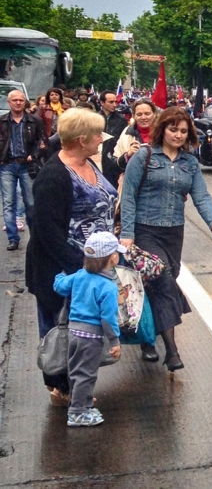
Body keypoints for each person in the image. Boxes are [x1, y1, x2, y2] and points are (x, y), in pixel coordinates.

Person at [120, 107, 212, 371]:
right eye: (173, 129)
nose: (178, 135)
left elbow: (200, 195)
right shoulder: (144, 156)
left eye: (183, 131)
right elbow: (129, 195)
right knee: (163, 279)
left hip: (173, 232)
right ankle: (172, 351)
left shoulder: (189, 162)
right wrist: (127, 235)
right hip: (145, 230)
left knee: (160, 283)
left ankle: (147, 338)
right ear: (162, 129)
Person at [25, 108, 117, 407]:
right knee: (61, 331)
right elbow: (48, 235)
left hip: (91, 266)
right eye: (97, 135)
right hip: (63, 272)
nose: (101, 140)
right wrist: (85, 268)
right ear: (81, 139)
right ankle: (62, 389)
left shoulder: (87, 161)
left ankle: (74, 386)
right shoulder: (53, 177)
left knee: (84, 332)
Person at [53, 231, 124, 427]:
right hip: (90, 337)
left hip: (73, 332)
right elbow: (108, 319)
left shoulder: (79, 276)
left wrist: (60, 274)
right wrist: (115, 341)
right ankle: (77, 413)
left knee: (76, 371)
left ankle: (82, 403)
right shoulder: (108, 287)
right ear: (113, 258)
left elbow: (59, 287)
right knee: (87, 374)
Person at [0, 89, 43, 250]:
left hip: (27, 165)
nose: (18, 103)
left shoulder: (34, 120)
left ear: (24, 102)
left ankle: (34, 237)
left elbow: (41, 140)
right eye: (14, 100)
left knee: (31, 203)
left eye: (20, 100)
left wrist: (34, 153)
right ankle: (13, 238)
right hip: (7, 165)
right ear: (9, 102)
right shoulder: (2, 121)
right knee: (8, 202)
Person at [112, 99, 157, 181]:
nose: (143, 117)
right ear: (134, 116)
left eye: (147, 114)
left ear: (154, 114)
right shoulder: (126, 133)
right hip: (133, 183)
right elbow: (114, 164)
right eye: (139, 114)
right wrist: (128, 155)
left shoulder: (165, 133)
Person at [97, 90, 129, 183]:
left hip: (114, 157)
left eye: (116, 102)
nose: (114, 105)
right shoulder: (94, 118)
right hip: (97, 156)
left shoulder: (121, 119)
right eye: (111, 102)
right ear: (102, 103)